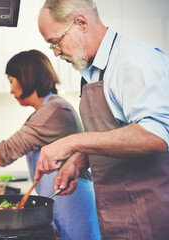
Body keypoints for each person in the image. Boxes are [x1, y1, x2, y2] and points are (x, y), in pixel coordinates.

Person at [36, 0, 169, 239]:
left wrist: (73, 142)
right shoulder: (91, 72)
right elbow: (116, 132)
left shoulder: (133, 59)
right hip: (117, 215)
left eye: (55, 41)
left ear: (81, 22)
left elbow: (155, 135)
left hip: (150, 217)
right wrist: (77, 161)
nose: (55, 52)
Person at [0, 49, 101, 240]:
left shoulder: (55, 110)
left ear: (26, 78)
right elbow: (9, 148)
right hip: (62, 203)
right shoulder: (43, 111)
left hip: (74, 204)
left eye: (12, 81)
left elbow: (5, 152)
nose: (11, 90)